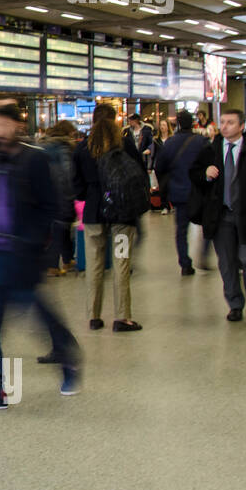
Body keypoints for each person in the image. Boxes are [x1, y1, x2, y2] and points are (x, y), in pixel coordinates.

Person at [0, 104, 81, 412]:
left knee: (39, 320)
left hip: (22, 257)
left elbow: (51, 208)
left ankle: (68, 358)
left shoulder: (36, 159)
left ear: (17, 126)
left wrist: (37, 246)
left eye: (2, 124)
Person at [190, 108, 246, 322]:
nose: (224, 126)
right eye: (222, 122)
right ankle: (235, 304)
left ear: (241, 126)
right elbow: (193, 174)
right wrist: (204, 174)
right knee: (227, 263)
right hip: (221, 216)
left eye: (230, 122)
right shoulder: (210, 151)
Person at [73, 103, 146, 332]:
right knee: (121, 263)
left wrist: (94, 193)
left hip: (94, 214)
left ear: (93, 120)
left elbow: (77, 187)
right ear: (115, 120)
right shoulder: (125, 145)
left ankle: (93, 317)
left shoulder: (83, 148)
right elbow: (140, 175)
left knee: (94, 265)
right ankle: (122, 317)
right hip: (122, 216)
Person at [153, 110, 208, 276]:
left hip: (179, 192)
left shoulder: (170, 143)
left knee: (181, 230)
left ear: (177, 123)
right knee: (208, 224)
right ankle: (204, 254)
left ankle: (185, 263)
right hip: (199, 191)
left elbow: (159, 167)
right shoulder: (202, 142)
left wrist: (167, 185)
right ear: (192, 123)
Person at [38, 120, 80, 275]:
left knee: (57, 229)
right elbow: (68, 173)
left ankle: (68, 260)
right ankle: (52, 265)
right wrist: (73, 193)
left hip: (45, 193)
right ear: (68, 133)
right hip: (61, 194)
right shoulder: (64, 148)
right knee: (61, 229)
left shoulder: (43, 146)